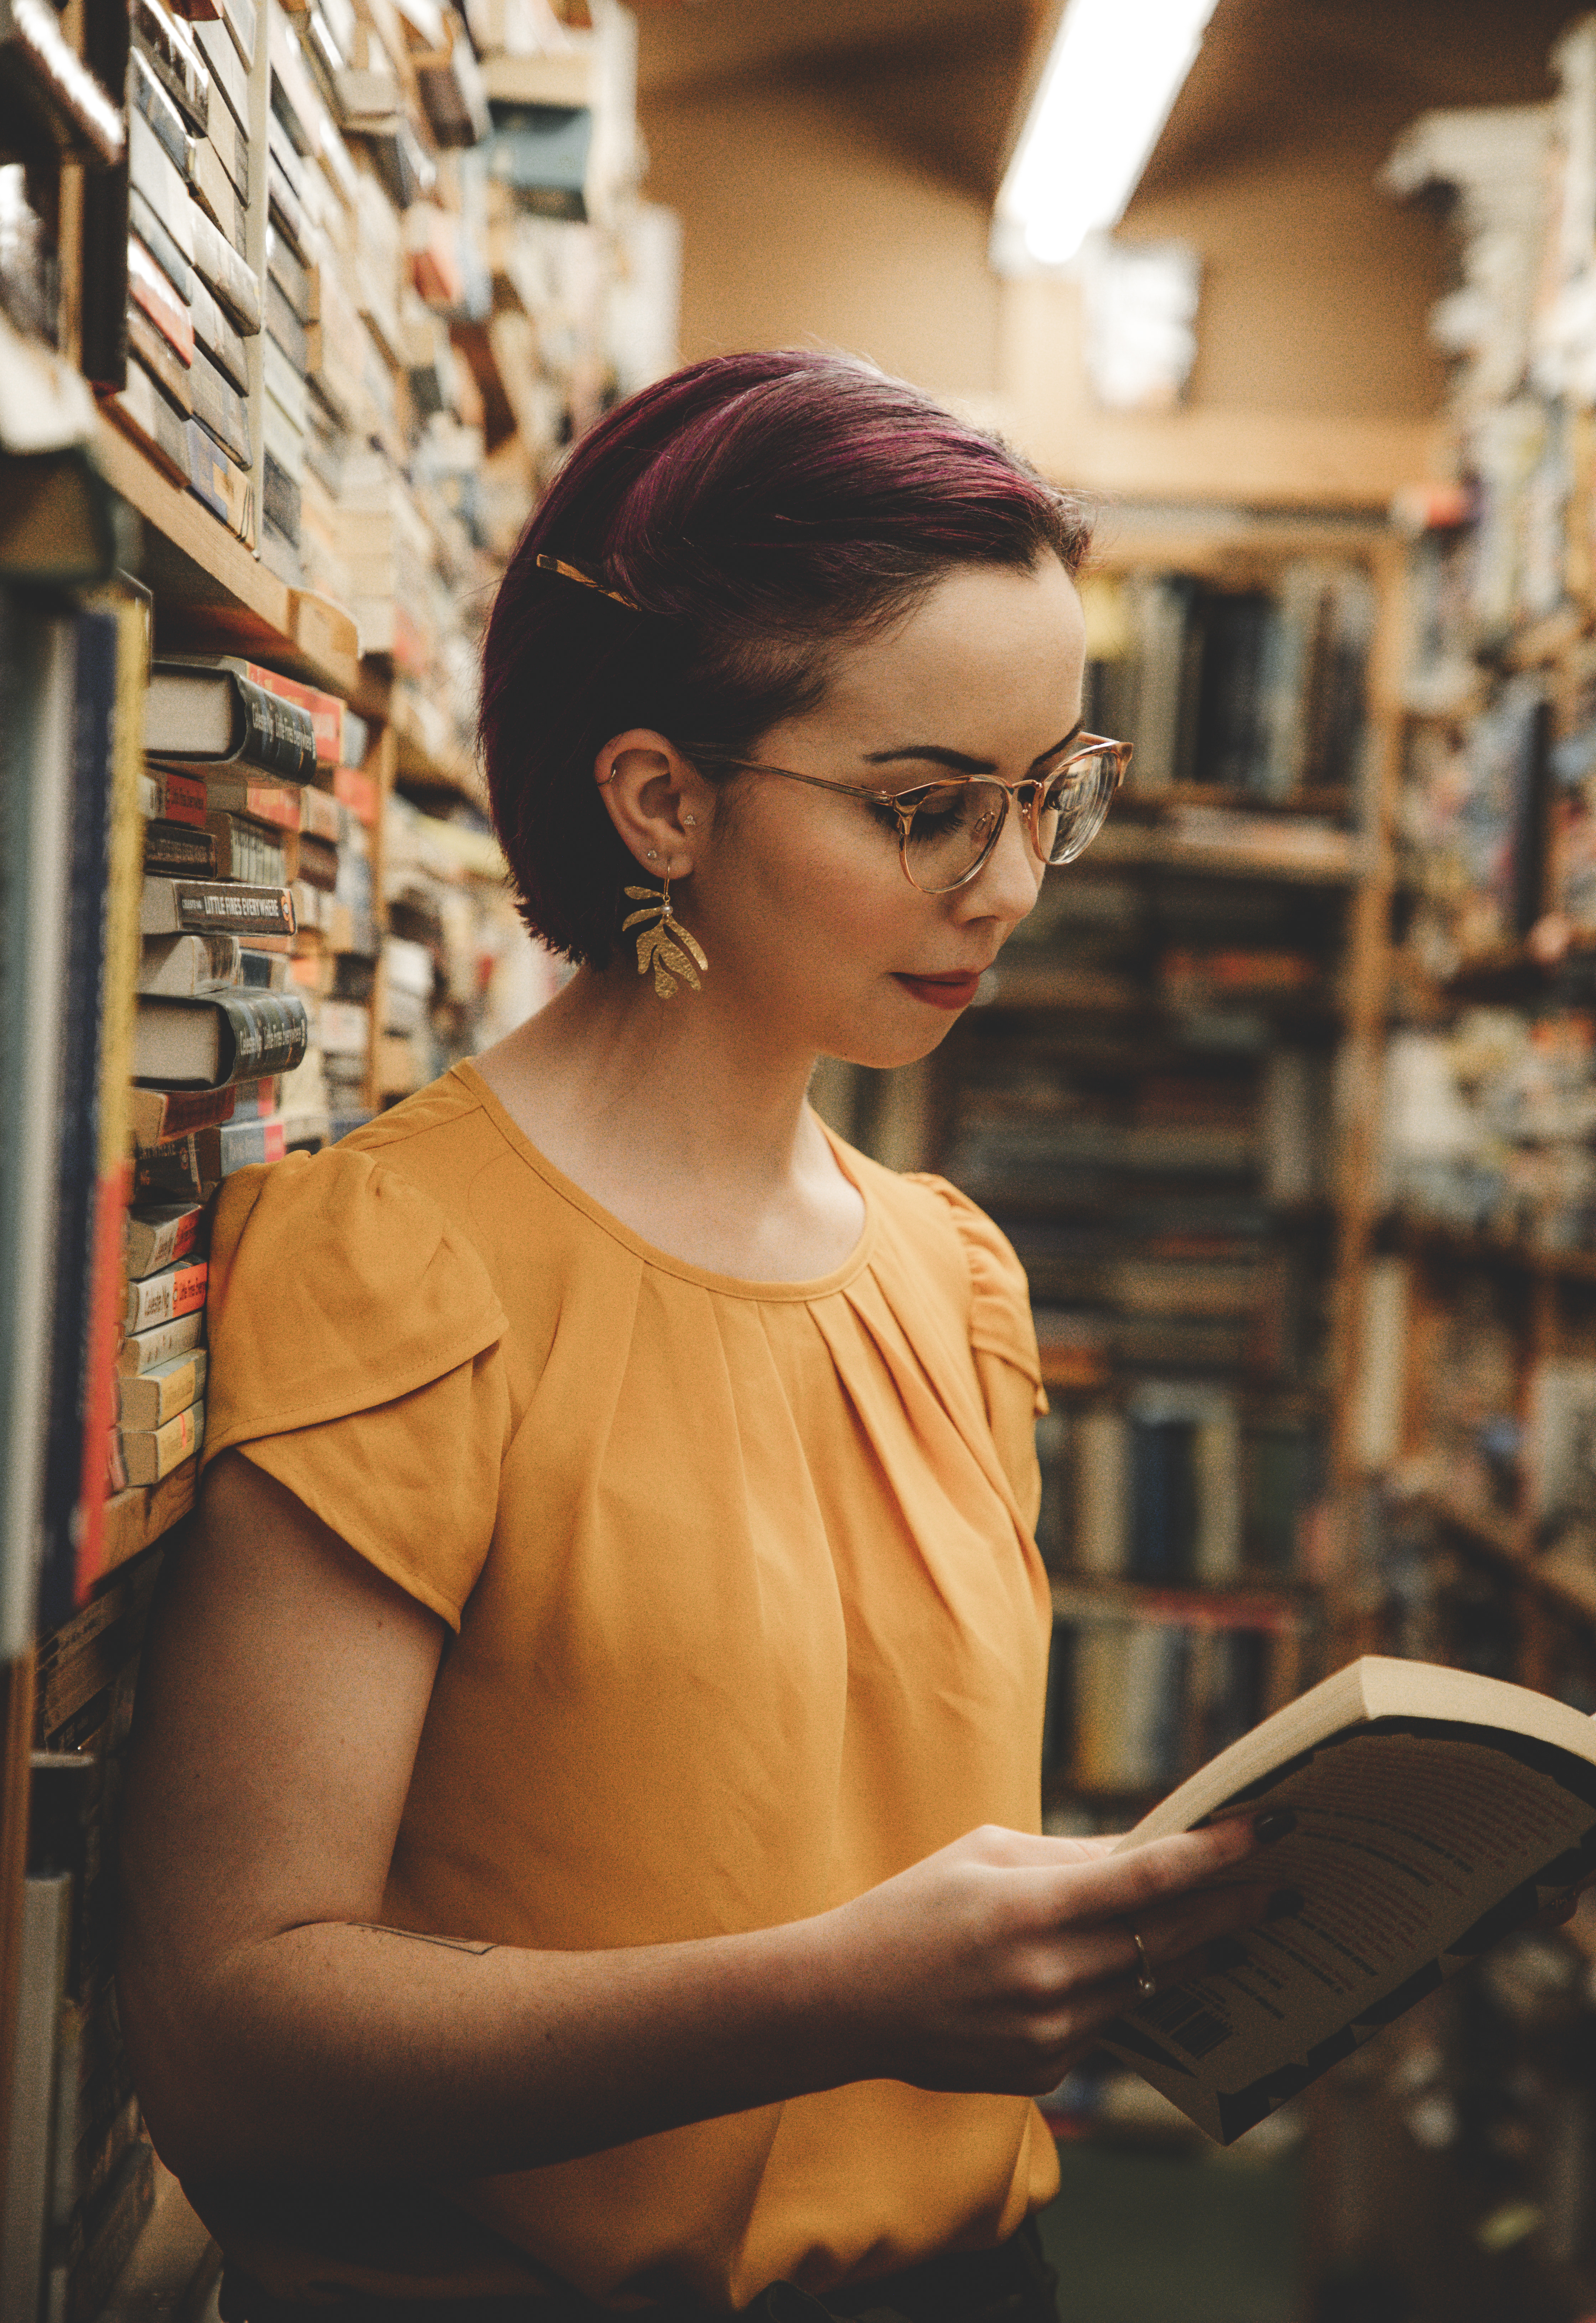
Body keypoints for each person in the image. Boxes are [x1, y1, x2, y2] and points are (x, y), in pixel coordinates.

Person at [117, 352, 1295, 2323]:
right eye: (925, 809)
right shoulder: (405, 1262)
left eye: (1050, 799)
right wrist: (843, 1993)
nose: (1006, 889)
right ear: (658, 797)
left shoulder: (953, 1280)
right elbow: (231, 2030)